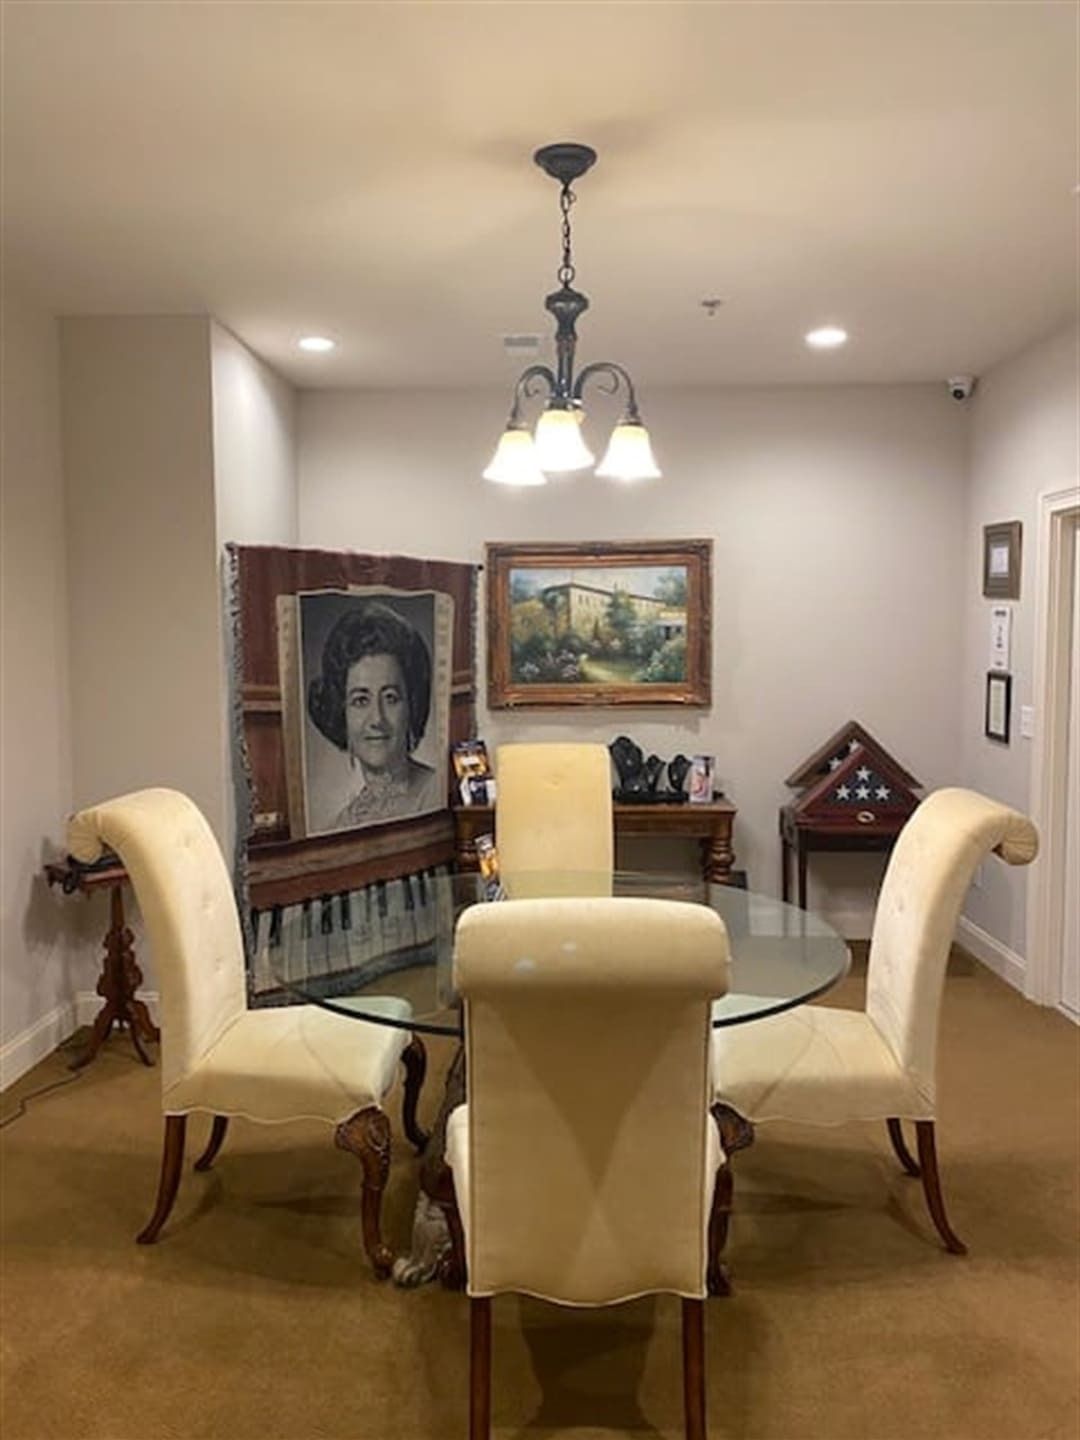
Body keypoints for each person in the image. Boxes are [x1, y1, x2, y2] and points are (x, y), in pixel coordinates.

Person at [306, 601, 442, 829]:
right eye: (361, 700)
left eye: (390, 698)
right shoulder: (340, 825)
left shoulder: (436, 793)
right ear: (341, 711)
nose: (377, 719)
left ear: (411, 705)